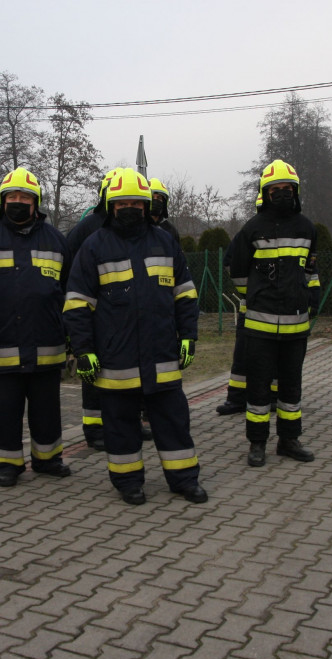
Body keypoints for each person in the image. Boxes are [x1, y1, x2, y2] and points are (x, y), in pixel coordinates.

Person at [64, 167, 206, 505]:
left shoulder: (165, 241)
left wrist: (188, 335)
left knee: (173, 421)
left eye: (136, 203)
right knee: (120, 425)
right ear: (110, 206)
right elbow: (76, 304)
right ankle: (128, 483)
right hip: (116, 359)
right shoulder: (94, 246)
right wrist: (84, 350)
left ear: (146, 206)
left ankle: (184, 479)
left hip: (161, 354)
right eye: (122, 202)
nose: (129, 208)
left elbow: (185, 293)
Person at [0, 167, 73, 487]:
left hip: (47, 342)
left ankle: (48, 459)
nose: (18, 202)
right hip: (3, 340)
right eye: (12, 197)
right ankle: (7, 465)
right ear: (2, 201)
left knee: (46, 409)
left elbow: (71, 293)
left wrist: (74, 334)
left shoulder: (56, 240)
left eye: (25, 197)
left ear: (36, 203)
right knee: (5, 410)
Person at [229, 160, 321, 468]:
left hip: (296, 326)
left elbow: (310, 269)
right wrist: (253, 297)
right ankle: (257, 443)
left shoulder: (307, 228)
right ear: (265, 193)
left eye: (286, 189)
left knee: (291, 386)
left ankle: (289, 440)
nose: (281, 194)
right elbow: (239, 272)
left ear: (295, 191)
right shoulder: (252, 229)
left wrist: (310, 298)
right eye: (275, 189)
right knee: (258, 387)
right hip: (260, 325)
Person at [67, 168, 124, 451]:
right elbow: (69, 266)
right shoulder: (89, 227)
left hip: (122, 313)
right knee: (93, 371)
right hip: (94, 311)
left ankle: (128, 424)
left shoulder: (128, 226)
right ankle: (94, 429)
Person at [216, 192, 278, 415]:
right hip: (250, 308)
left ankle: (272, 397)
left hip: (280, 309)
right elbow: (231, 262)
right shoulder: (248, 232)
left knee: (276, 357)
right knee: (242, 355)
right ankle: (237, 399)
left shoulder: (291, 232)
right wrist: (250, 291)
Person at [148, 177, 180, 242]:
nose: (155, 200)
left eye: (159, 198)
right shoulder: (139, 227)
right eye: (152, 197)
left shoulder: (170, 230)